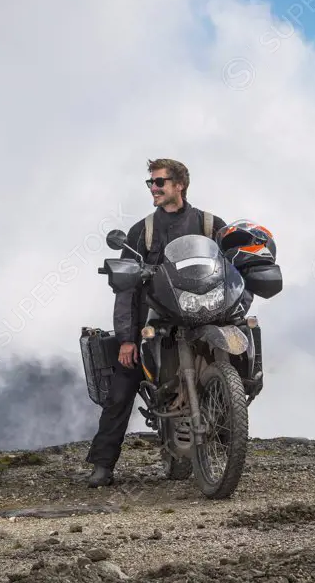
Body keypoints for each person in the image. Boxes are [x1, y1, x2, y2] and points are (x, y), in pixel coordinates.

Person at [85, 158, 227, 488]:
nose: (154, 188)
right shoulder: (142, 231)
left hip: (203, 314)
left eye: (160, 182)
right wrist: (126, 338)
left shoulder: (210, 224)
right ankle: (103, 465)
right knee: (122, 388)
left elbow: (232, 266)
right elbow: (125, 289)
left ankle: (225, 451)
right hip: (155, 319)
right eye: (150, 183)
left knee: (233, 366)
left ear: (180, 185)